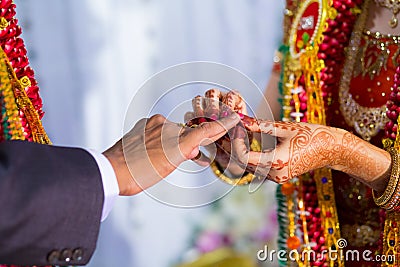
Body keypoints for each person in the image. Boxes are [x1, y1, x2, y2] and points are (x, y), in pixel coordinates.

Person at [195, 0, 400, 266]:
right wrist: (232, 142)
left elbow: (329, 147)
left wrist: (338, 149)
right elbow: (264, 137)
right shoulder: (314, 9)